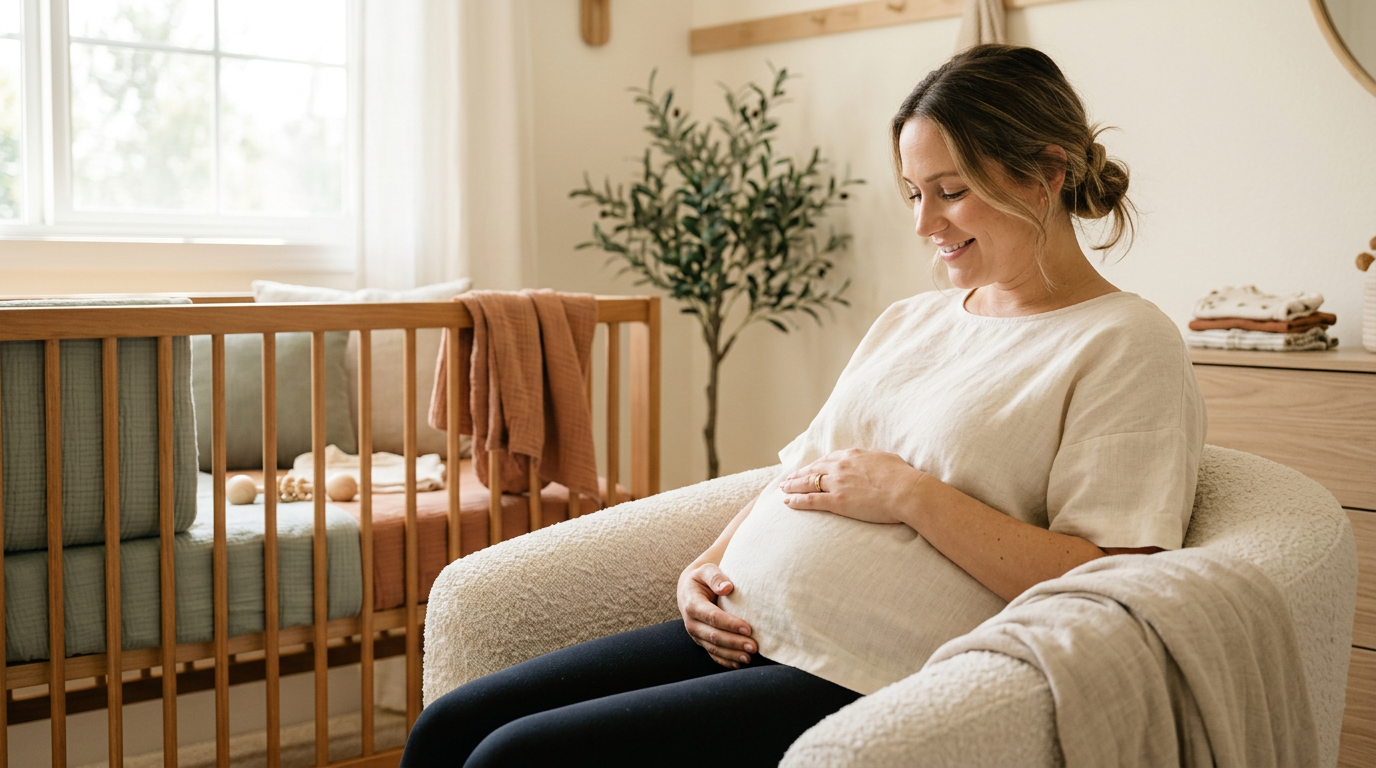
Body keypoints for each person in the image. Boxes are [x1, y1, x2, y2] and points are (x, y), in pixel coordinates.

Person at [400, 43, 1205, 767]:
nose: (924, 222)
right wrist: (707, 563)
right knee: (449, 729)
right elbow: (803, 473)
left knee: (513, 760)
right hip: (741, 632)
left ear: (1047, 172)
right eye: (912, 192)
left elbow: (1112, 579)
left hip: (859, 671)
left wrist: (910, 495)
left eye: (950, 192)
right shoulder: (912, 320)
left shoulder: (1123, 340)